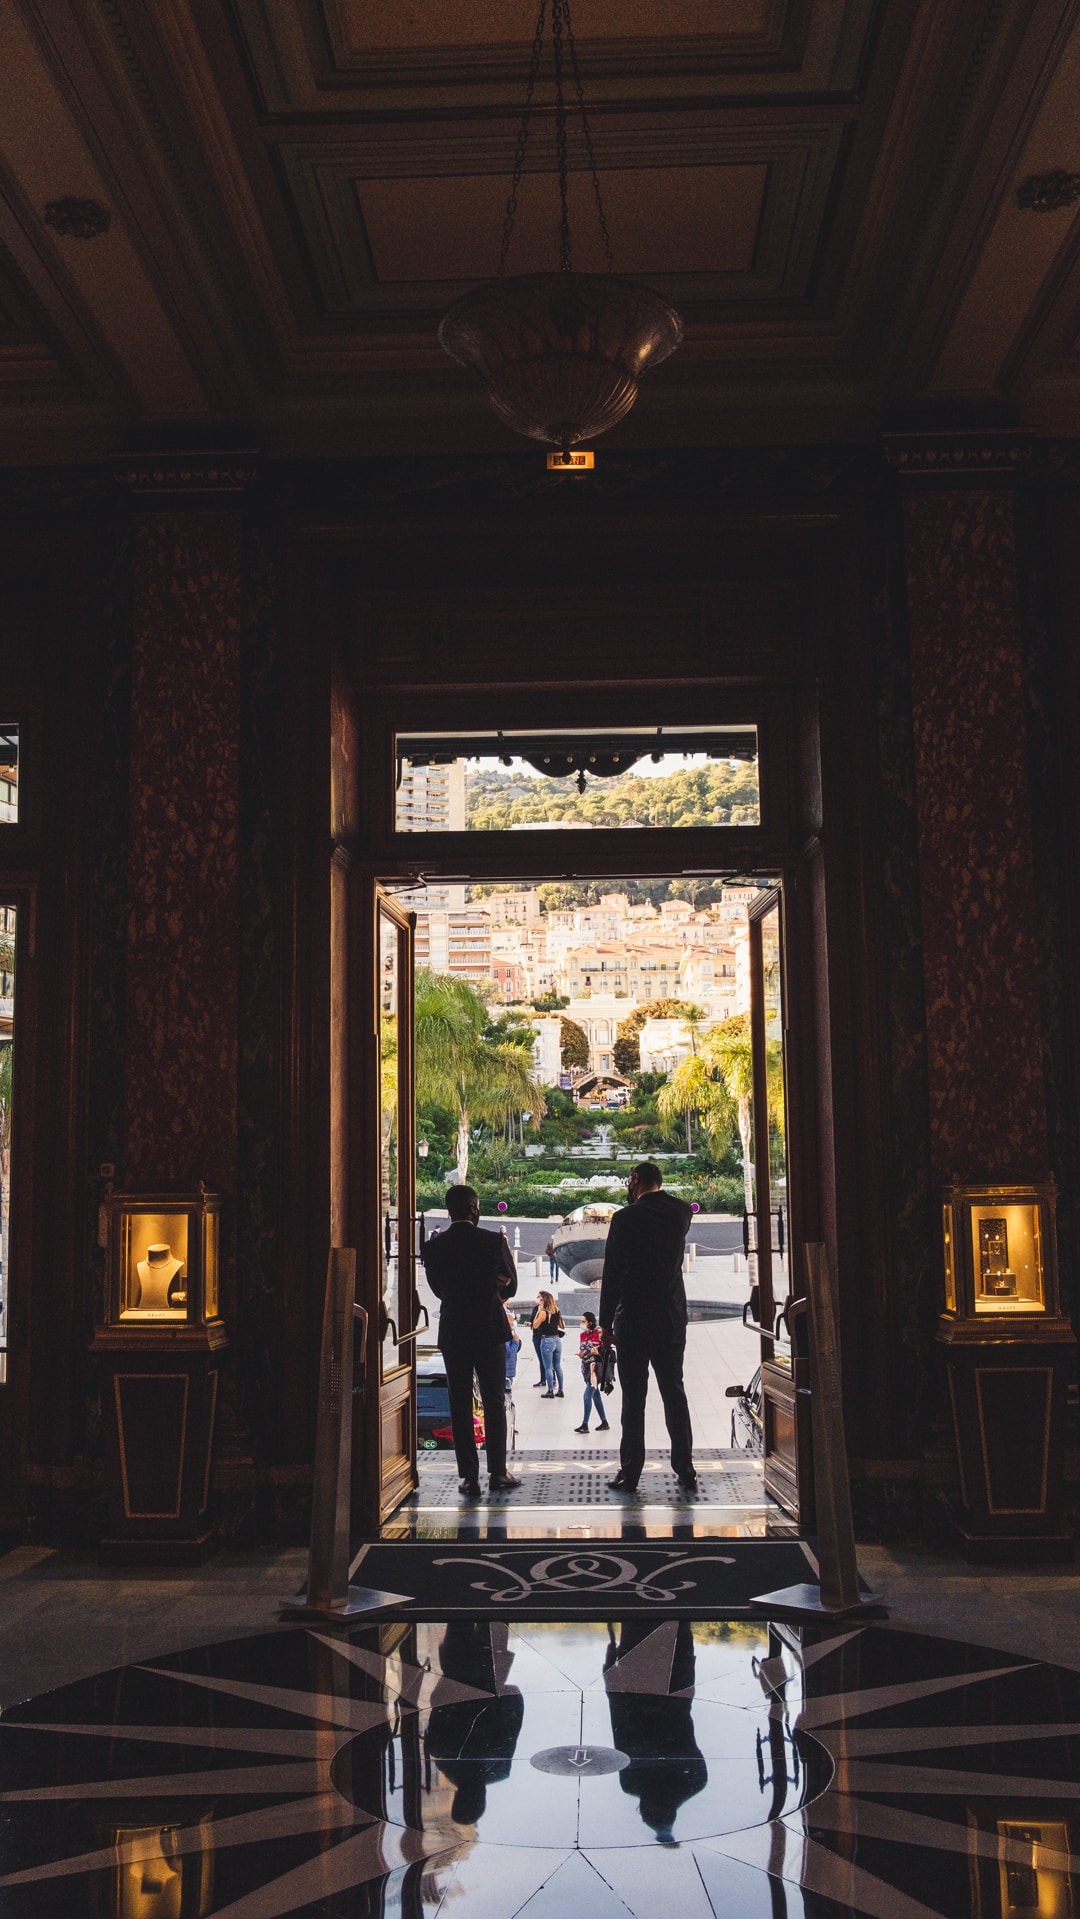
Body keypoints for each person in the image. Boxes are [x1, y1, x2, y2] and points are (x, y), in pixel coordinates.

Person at [599, 1161, 698, 1494]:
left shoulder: (625, 1218)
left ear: (636, 1179)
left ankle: (631, 1473)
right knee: (674, 1393)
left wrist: (604, 1323)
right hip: (670, 1318)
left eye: (629, 1179)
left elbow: (612, 1273)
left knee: (634, 1399)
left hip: (633, 1320)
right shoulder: (682, 1212)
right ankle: (685, 1469)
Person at [422, 1184, 522, 1497]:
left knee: (459, 1402)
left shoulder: (434, 1247)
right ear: (475, 1209)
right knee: (493, 1401)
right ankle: (498, 1472)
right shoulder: (494, 1241)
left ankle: (469, 1477)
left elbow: (438, 1289)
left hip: (454, 1330)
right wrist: (491, 1294)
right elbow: (513, 1286)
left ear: (449, 1211)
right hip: (489, 1326)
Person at [574, 1310, 609, 1435]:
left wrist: (598, 1352)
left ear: (590, 1322)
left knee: (587, 1395)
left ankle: (585, 1424)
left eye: (583, 1321)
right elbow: (583, 1350)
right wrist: (582, 1354)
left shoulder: (599, 1334)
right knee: (595, 1395)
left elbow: (606, 1350)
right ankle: (604, 1421)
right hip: (586, 1367)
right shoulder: (582, 1335)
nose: (581, 1323)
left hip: (596, 1368)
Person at [532, 1290, 564, 1397]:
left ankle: (550, 1390)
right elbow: (562, 1325)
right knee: (558, 1366)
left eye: (541, 1299)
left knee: (548, 1367)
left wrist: (538, 1311)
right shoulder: (557, 1310)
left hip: (547, 1340)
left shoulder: (543, 1312)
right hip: (557, 1340)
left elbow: (535, 1325)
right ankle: (560, 1390)